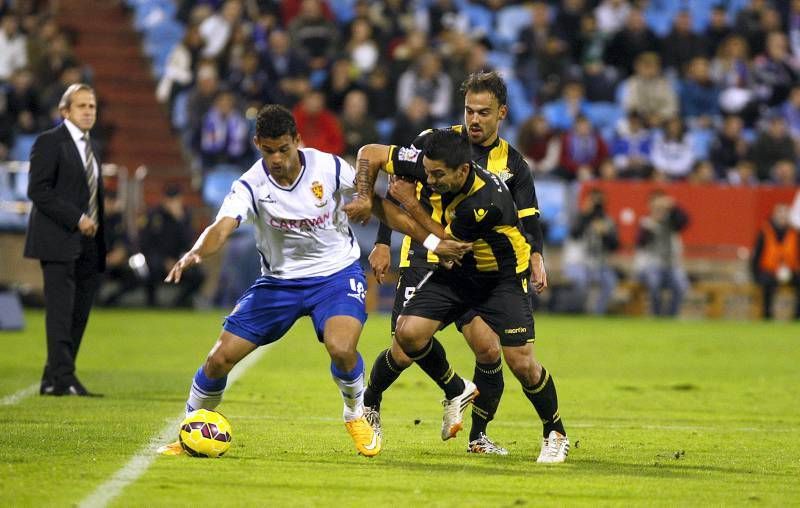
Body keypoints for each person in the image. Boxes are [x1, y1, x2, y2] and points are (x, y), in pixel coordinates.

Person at [157, 105, 469, 457]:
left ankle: (354, 412)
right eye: (268, 150)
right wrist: (196, 252)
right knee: (218, 359)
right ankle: (191, 428)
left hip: (336, 276)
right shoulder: (250, 184)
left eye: (283, 149)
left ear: (297, 141)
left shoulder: (329, 168)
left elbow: (383, 207)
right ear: (258, 144)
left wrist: (430, 241)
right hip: (278, 284)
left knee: (342, 348)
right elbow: (222, 227)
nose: (276, 158)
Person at [345, 129, 569, 463]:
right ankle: (455, 389)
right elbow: (370, 151)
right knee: (408, 335)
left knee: (520, 361)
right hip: (457, 273)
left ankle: (554, 432)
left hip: (499, 278)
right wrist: (366, 196)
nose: (429, 180)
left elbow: (446, 242)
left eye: (437, 175)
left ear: (462, 171)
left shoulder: (485, 200)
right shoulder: (429, 164)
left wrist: (403, 202)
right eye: (427, 172)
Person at [24, 83, 106, 396]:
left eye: (92, 106)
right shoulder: (49, 142)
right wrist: (76, 218)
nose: (88, 111)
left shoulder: (91, 146)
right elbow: (38, 190)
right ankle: (63, 378)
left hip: (88, 242)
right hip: (57, 239)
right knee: (60, 311)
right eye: (82, 106)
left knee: (79, 311)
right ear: (65, 111)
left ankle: (53, 375)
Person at [140, 184, 205, 308]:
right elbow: (145, 244)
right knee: (149, 269)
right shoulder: (153, 215)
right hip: (157, 260)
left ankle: (177, 303)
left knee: (199, 275)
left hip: (179, 260)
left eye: (175, 199)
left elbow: (189, 244)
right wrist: (164, 261)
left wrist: (179, 220)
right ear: (164, 200)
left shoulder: (186, 216)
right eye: (169, 200)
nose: (172, 203)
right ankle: (152, 304)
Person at [562, 189, 620, 314]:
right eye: (593, 201)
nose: (596, 205)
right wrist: (586, 215)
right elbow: (574, 234)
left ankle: (597, 313)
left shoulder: (607, 221)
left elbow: (614, 245)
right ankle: (579, 311)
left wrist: (605, 234)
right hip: (579, 262)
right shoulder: (580, 217)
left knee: (610, 281)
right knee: (581, 281)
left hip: (600, 264)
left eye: (599, 202)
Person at [634, 190, 690, 317]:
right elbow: (640, 243)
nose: (659, 209)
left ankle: (671, 316)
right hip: (650, 265)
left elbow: (685, 221)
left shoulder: (672, 221)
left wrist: (674, 207)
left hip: (671, 264)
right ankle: (657, 315)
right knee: (654, 283)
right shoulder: (645, 222)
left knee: (681, 285)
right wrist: (651, 226)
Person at [751, 204, 800, 320]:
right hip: (769, 271)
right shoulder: (765, 232)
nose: (782, 218)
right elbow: (756, 256)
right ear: (774, 215)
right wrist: (756, 275)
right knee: (767, 283)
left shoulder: (795, 234)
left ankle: (797, 315)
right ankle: (767, 315)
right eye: (780, 214)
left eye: (785, 215)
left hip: (789, 271)